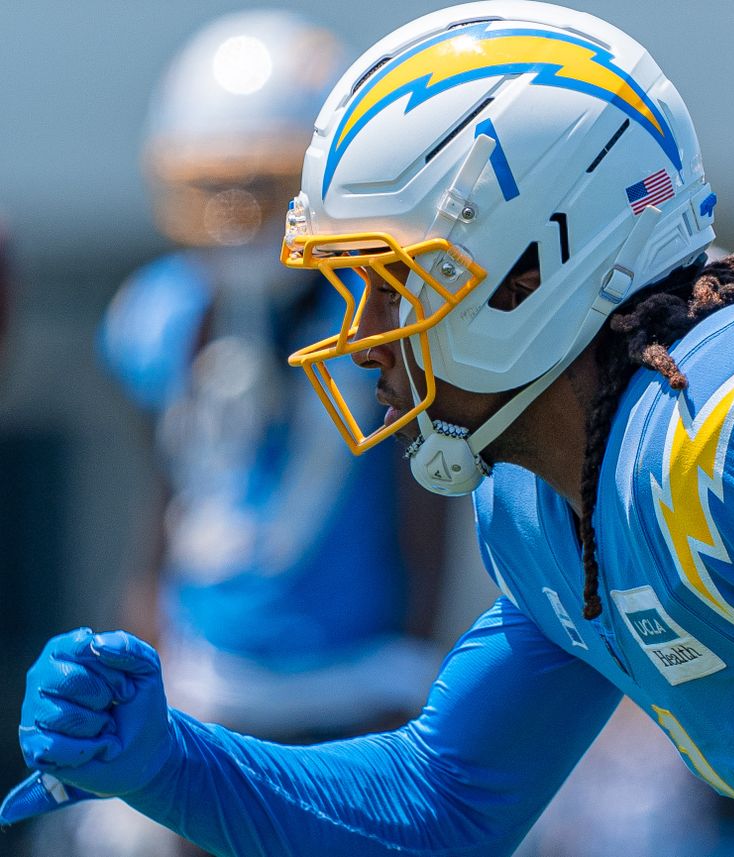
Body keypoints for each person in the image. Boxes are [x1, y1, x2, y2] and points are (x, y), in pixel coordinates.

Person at [5, 3, 734, 856]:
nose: (362, 338)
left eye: (388, 283)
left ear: (532, 263)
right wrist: (169, 761)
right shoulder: (537, 501)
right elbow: (439, 807)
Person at [30, 11, 446, 857]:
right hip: (207, 681)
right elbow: (164, 505)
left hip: (356, 680)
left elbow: (427, 503)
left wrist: (410, 666)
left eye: (261, 185)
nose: (236, 217)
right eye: (215, 187)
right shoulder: (162, 314)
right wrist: (141, 653)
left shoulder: (377, 312)